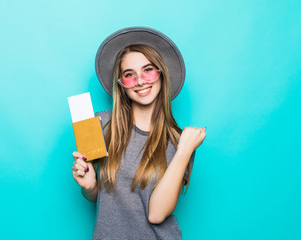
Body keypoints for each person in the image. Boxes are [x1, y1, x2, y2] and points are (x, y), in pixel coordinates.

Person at [72, 27, 206, 240]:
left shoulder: (181, 142)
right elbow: (105, 198)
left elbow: (157, 214)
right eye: (129, 75)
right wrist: (90, 188)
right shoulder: (99, 124)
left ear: (161, 74)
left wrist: (184, 152)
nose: (141, 81)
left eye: (148, 70)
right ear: (121, 85)